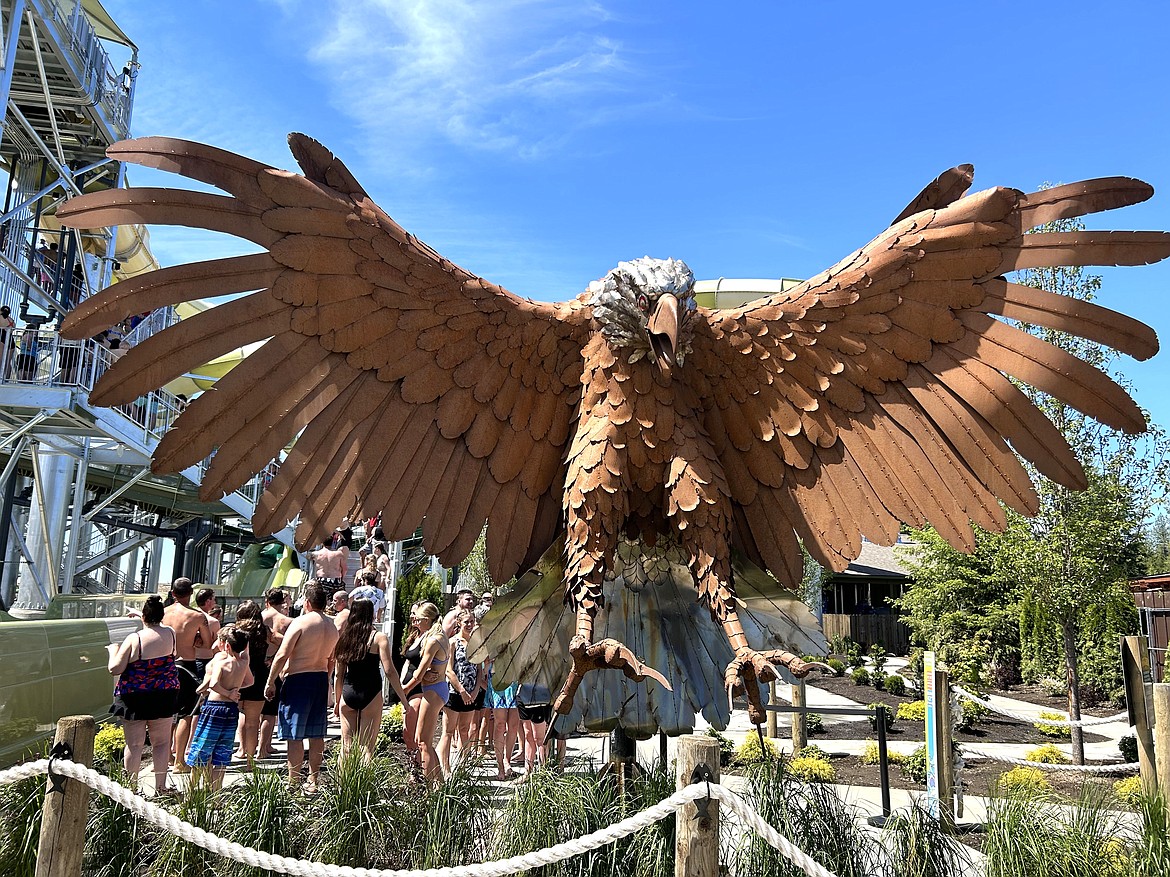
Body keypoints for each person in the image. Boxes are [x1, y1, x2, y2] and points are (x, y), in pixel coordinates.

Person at [265, 581, 338, 791]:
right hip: (320, 678)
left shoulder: (301, 623)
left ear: (307, 602)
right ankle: (313, 779)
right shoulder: (332, 626)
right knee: (317, 734)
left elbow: (282, 654)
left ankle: (293, 780)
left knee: (294, 734)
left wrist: (270, 681)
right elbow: (331, 659)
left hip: (298, 679)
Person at [107, 594, 180, 794]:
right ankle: (161, 786)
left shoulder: (134, 638)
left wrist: (113, 650)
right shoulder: (171, 633)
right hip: (164, 694)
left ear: (143, 619)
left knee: (134, 744)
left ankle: (130, 789)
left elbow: (115, 668)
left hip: (135, 697)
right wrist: (142, 614)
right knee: (162, 742)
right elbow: (166, 642)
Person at [332, 598, 408, 759]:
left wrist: (337, 700)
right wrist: (403, 699)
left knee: (346, 747)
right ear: (372, 615)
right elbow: (389, 671)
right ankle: (363, 783)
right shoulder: (379, 638)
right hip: (371, 693)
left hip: (348, 691)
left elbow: (338, 674)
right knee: (367, 747)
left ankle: (342, 783)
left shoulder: (345, 638)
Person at [185, 625, 253, 789]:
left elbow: (214, 683)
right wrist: (234, 690)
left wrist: (227, 692)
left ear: (227, 645)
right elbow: (250, 681)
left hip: (214, 708)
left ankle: (191, 792)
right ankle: (215, 794)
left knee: (202, 750)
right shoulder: (244, 662)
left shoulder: (221, 662)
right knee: (222, 753)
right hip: (231, 710)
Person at [162, 577, 212, 773]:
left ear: (172, 594)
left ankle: (166, 756)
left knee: (165, 713)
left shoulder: (163, 614)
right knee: (185, 714)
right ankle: (179, 761)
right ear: (191, 593)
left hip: (165, 664)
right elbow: (207, 643)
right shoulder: (197, 616)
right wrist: (196, 638)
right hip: (186, 664)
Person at [401, 601, 448, 782]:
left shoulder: (433, 640)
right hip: (437, 688)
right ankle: (441, 785)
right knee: (425, 743)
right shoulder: (439, 636)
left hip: (433, 692)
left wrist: (404, 689)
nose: (416, 621)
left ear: (427, 620)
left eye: (419, 619)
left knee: (423, 743)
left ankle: (429, 792)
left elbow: (419, 674)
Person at [438, 609, 482, 776]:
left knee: (465, 729)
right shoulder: (453, 642)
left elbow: (479, 669)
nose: (470, 625)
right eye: (466, 622)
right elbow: (449, 670)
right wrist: (461, 690)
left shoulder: (476, 643)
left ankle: (464, 767)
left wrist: (476, 689)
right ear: (459, 624)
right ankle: (446, 768)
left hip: (472, 693)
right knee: (448, 731)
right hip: (454, 692)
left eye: (472, 621)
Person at [233, 600, 273, 768]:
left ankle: (241, 750)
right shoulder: (264, 631)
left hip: (239, 675)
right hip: (259, 676)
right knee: (253, 720)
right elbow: (283, 641)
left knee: (241, 715)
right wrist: (272, 659)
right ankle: (250, 759)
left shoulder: (235, 632)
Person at [258, 587, 292, 758]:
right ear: (283, 602)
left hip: (258, 663)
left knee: (252, 709)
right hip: (275, 664)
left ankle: (245, 748)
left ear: (267, 601)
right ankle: (263, 748)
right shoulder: (286, 621)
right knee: (270, 712)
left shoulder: (260, 618)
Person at [484, 660, 521, 780]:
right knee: (500, 725)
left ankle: (507, 761)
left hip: (515, 676)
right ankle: (500, 766)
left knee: (514, 726)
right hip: (497, 676)